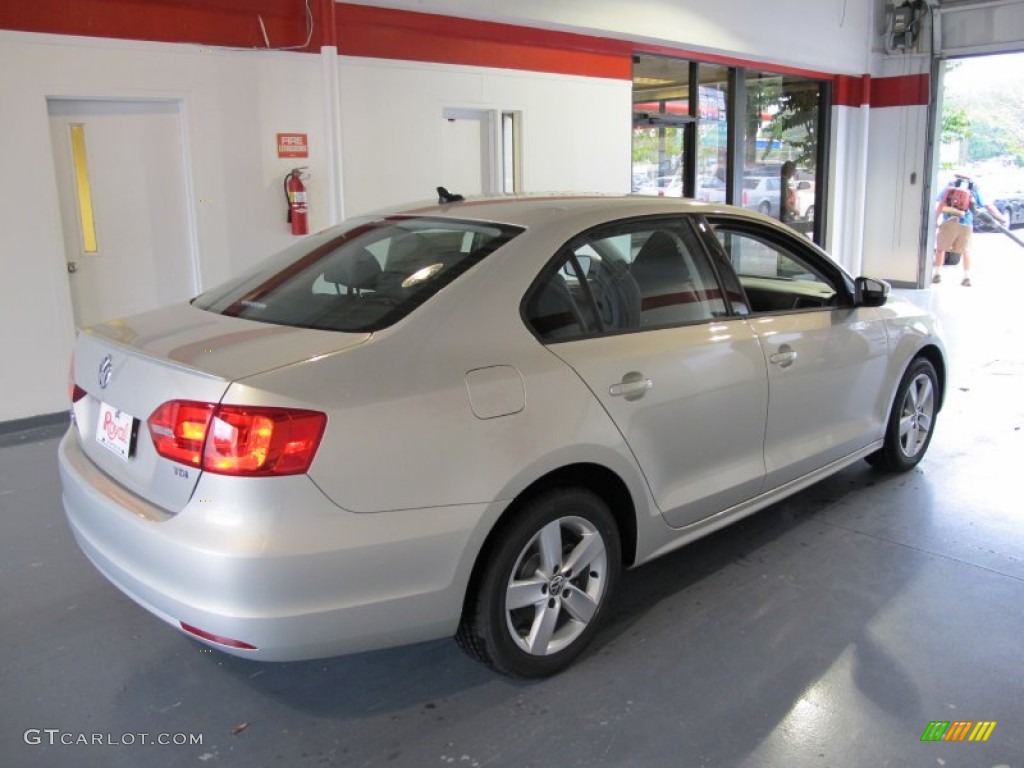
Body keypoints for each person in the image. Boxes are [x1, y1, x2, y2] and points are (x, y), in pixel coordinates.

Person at [932, 171, 1007, 287]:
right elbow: (988, 206)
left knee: (941, 249)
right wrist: (1001, 218)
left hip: (948, 221)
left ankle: (937, 274)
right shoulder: (974, 188)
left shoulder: (951, 185)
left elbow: (942, 203)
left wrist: (935, 219)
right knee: (966, 251)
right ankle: (967, 277)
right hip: (966, 224)